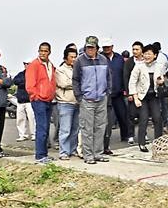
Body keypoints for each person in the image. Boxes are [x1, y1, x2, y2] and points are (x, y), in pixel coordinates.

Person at [73, 36, 111, 164]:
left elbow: (108, 77)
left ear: (97, 48)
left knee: (100, 127)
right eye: (88, 47)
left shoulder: (103, 60)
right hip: (87, 99)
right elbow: (76, 80)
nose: (89, 49)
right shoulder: (79, 61)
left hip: (101, 98)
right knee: (87, 128)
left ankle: (98, 153)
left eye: (92, 47)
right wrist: (79, 96)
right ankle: (88, 155)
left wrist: (107, 92)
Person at [128, 44, 164, 152]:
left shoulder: (159, 66)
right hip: (142, 96)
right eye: (145, 53)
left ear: (155, 55)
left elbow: (162, 79)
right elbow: (132, 82)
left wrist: (161, 82)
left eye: (150, 54)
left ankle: (158, 142)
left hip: (154, 96)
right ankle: (142, 143)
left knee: (157, 118)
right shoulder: (139, 66)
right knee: (143, 119)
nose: (147, 56)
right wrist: (135, 98)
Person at [26, 42, 56, 164]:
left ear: (49, 52)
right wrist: (36, 96)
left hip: (48, 100)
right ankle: (40, 155)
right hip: (39, 100)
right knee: (41, 127)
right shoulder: (34, 65)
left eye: (45, 51)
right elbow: (30, 85)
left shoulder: (50, 65)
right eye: (41, 51)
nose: (43, 53)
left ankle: (44, 154)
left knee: (46, 127)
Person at [100, 37, 128, 152]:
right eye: (104, 47)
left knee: (122, 115)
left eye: (108, 47)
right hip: (105, 93)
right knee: (106, 119)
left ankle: (125, 135)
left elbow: (124, 74)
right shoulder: (100, 58)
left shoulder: (119, 58)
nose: (106, 49)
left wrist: (126, 89)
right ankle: (104, 140)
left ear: (112, 47)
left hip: (118, 92)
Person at [55, 47, 80, 160]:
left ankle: (73, 149)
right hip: (65, 102)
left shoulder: (78, 69)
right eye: (71, 57)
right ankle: (64, 152)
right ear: (65, 58)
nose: (74, 59)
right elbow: (63, 83)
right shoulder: (60, 70)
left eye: (75, 57)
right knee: (65, 129)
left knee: (75, 129)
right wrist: (76, 83)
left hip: (77, 102)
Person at [122, 41, 145, 145]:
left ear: (141, 50)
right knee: (131, 114)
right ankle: (130, 135)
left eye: (137, 49)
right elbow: (126, 78)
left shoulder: (146, 61)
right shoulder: (129, 62)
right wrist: (129, 93)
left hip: (144, 92)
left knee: (143, 114)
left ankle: (143, 134)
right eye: (133, 49)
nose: (135, 51)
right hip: (132, 91)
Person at [12, 61, 36, 141]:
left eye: (28, 64)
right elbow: (15, 81)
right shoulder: (21, 74)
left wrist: (23, 83)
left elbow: (33, 83)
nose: (26, 65)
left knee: (32, 118)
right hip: (20, 100)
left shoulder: (34, 73)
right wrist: (25, 82)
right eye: (25, 64)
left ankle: (34, 134)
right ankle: (23, 135)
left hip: (30, 100)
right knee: (20, 119)